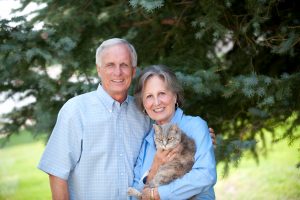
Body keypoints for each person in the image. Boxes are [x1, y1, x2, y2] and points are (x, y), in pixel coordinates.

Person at [38, 38, 216, 199]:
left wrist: (203, 139)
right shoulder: (76, 111)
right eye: (110, 65)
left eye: (124, 65)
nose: (118, 72)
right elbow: (57, 173)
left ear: (133, 70)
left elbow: (190, 162)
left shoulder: (143, 115)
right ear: (99, 70)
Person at [132, 65, 217, 199]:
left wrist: (158, 193)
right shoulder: (147, 142)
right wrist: (155, 167)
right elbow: (134, 195)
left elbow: (206, 175)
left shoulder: (195, 126)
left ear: (175, 96)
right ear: (143, 103)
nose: (156, 102)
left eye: (162, 94)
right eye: (149, 96)